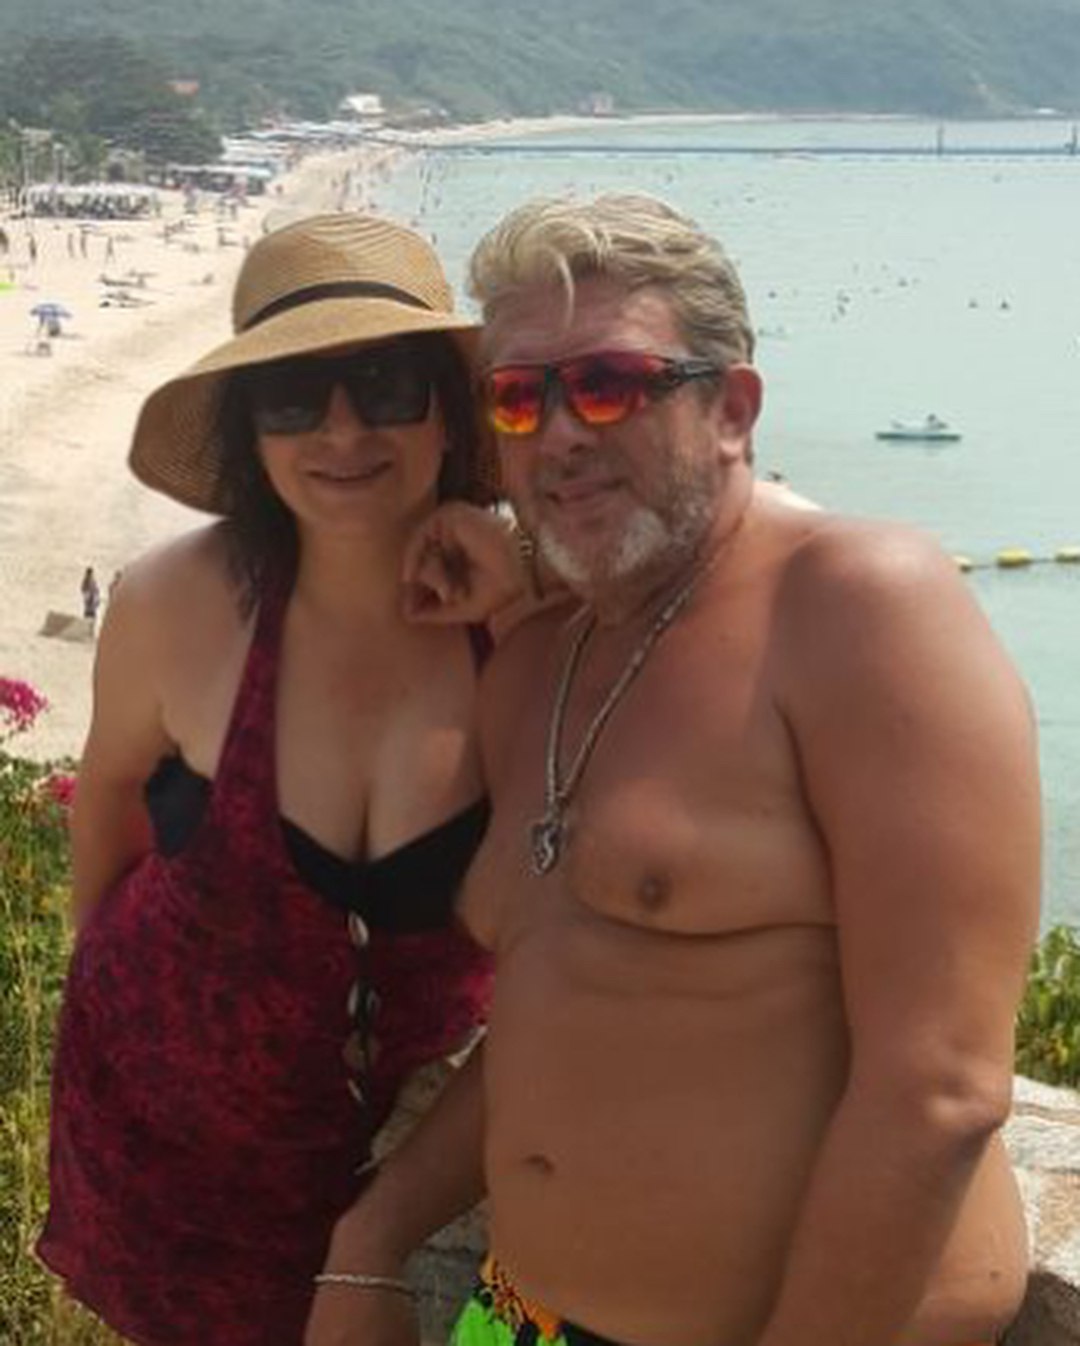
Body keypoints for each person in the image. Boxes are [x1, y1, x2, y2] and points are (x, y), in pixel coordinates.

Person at [317, 195, 1041, 1346]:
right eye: (520, 398)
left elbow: (942, 1089)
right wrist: (372, 1235)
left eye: (610, 383)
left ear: (733, 409)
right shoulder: (535, 666)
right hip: (518, 1310)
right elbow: (564, 1006)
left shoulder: (859, 607)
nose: (560, 434)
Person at [37, 212, 499, 1346]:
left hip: (414, 1166)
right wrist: (107, 988)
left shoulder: (525, 623)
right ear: (251, 428)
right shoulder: (173, 601)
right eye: (293, 396)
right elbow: (110, 796)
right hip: (167, 1143)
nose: (342, 428)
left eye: (385, 383)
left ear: (448, 408)